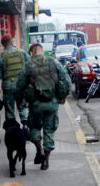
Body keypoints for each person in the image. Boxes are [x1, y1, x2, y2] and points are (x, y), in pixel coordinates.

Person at [15, 42, 71, 170]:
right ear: (42, 51)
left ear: (32, 53)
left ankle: (39, 149)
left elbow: (20, 86)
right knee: (49, 130)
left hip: (35, 105)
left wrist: (18, 102)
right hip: (52, 104)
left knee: (34, 127)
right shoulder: (54, 62)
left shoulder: (28, 65)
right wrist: (63, 97)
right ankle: (46, 160)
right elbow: (66, 80)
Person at [0, 34, 30, 124]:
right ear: (12, 42)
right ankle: (25, 127)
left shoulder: (0, 57)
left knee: (9, 109)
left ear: (3, 45)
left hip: (8, 86)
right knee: (23, 107)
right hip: (22, 85)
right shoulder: (22, 53)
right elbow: (30, 68)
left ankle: (12, 130)